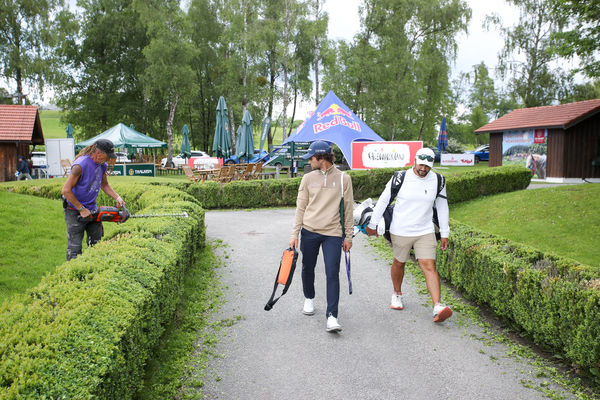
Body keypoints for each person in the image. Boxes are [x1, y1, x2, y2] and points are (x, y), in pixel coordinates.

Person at [365, 147, 452, 323]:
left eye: (427, 166)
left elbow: (443, 207)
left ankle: (437, 306)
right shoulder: (400, 177)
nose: (423, 169)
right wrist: (372, 224)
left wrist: (444, 233)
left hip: (425, 230)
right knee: (399, 262)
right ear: (415, 160)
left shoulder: (438, 180)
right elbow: (384, 200)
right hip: (401, 229)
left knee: (429, 265)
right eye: (421, 165)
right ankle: (397, 293)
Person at [289, 140, 354, 332]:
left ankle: (332, 316)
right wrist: (294, 233)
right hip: (309, 231)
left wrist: (348, 236)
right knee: (307, 267)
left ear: (321, 157)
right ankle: (309, 297)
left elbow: (348, 209)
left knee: (332, 272)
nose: (309, 161)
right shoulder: (307, 178)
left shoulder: (344, 179)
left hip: (332, 233)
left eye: (311, 158)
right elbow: (300, 207)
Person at [61, 139, 124, 261]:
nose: (108, 159)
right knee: (75, 248)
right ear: (99, 153)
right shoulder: (80, 165)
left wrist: (117, 197)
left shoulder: (102, 165)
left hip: (92, 209)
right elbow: (66, 190)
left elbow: (104, 184)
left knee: (97, 244)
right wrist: (81, 209)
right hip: (74, 210)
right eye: (107, 156)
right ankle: (74, 271)